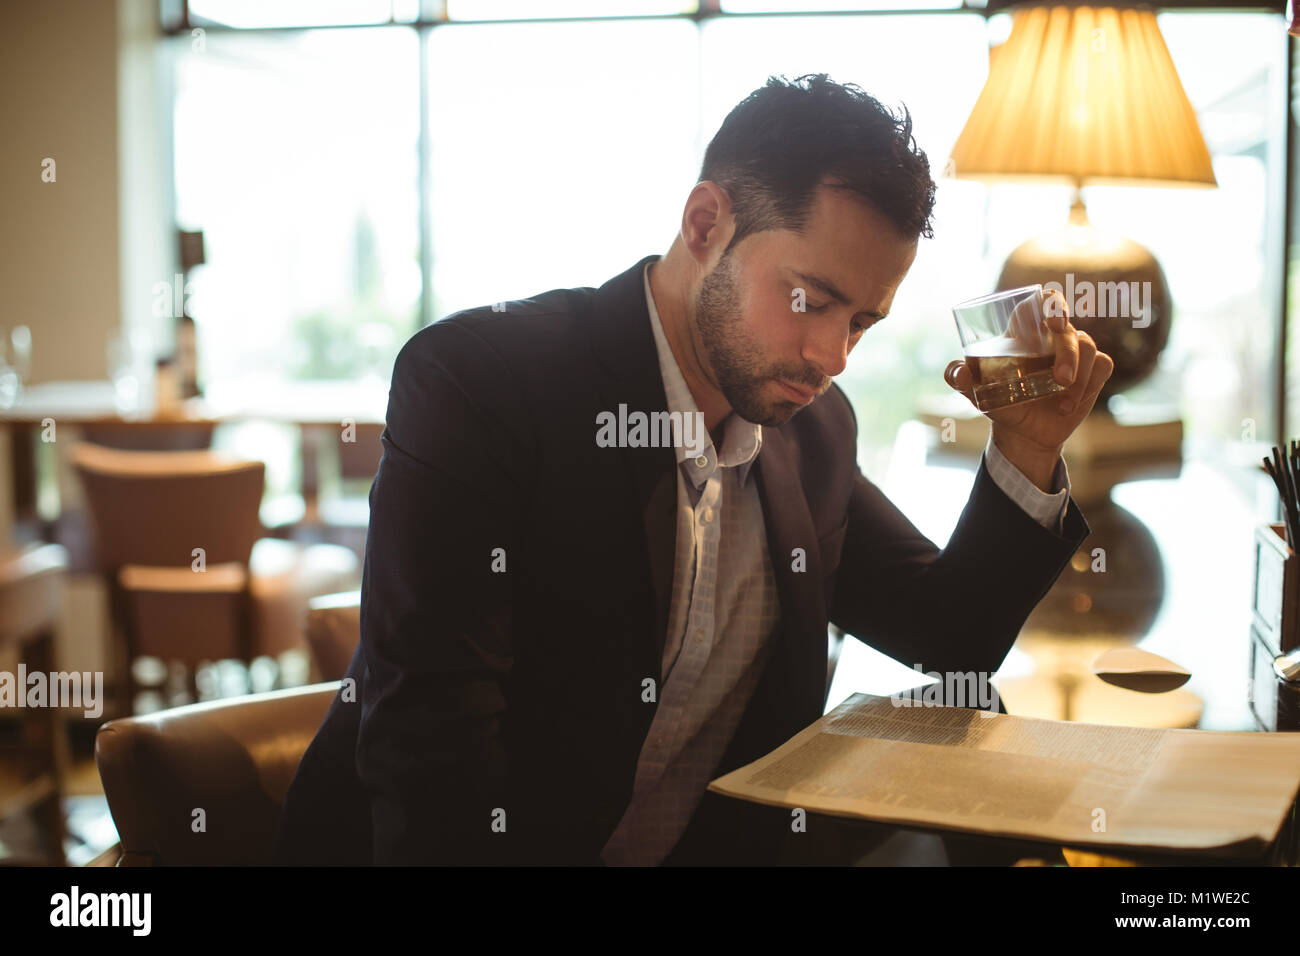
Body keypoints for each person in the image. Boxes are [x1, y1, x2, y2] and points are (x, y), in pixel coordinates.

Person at [273, 73, 1111, 867]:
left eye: (862, 321)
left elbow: (950, 638)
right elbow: (433, 762)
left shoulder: (812, 431)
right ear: (706, 224)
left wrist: (1028, 446)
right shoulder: (482, 386)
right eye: (809, 301)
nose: (833, 355)